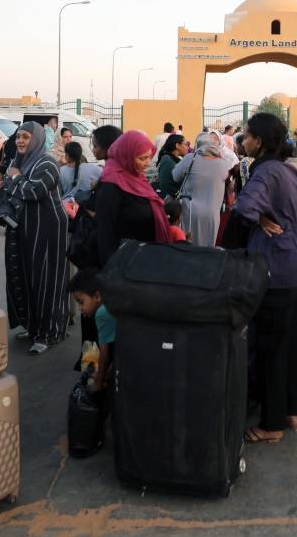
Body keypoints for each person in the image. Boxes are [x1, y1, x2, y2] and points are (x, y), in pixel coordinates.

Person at [235, 113, 297, 444]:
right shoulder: (288, 170)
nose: (243, 140)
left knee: (270, 347)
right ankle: (288, 411)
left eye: (248, 135)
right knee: (290, 343)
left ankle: (271, 424)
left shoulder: (264, 171)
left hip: (276, 267)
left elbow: (243, 208)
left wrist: (260, 218)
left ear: (260, 141)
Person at [1, 122, 69, 354]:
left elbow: (33, 191)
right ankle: (32, 326)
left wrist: (15, 180)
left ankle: (49, 332)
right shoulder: (17, 162)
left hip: (48, 227)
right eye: (18, 137)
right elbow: (8, 188)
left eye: (26, 137)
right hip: (23, 227)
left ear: (37, 139)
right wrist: (14, 180)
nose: (20, 141)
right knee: (25, 276)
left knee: (47, 280)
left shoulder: (47, 163)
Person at [94, 131, 172, 265]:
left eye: (149, 157)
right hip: (125, 266)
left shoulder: (137, 178)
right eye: (142, 158)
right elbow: (105, 234)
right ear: (127, 157)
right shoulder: (110, 186)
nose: (147, 163)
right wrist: (110, 273)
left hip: (145, 259)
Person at [172, 133, 231, 247]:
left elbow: (175, 176)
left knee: (189, 247)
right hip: (212, 215)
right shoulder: (223, 163)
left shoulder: (191, 158)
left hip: (190, 212)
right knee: (207, 248)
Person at [68, 268, 114, 389]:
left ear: (97, 296)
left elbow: (105, 353)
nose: (79, 308)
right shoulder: (111, 302)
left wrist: (98, 382)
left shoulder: (102, 314)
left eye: (81, 302)